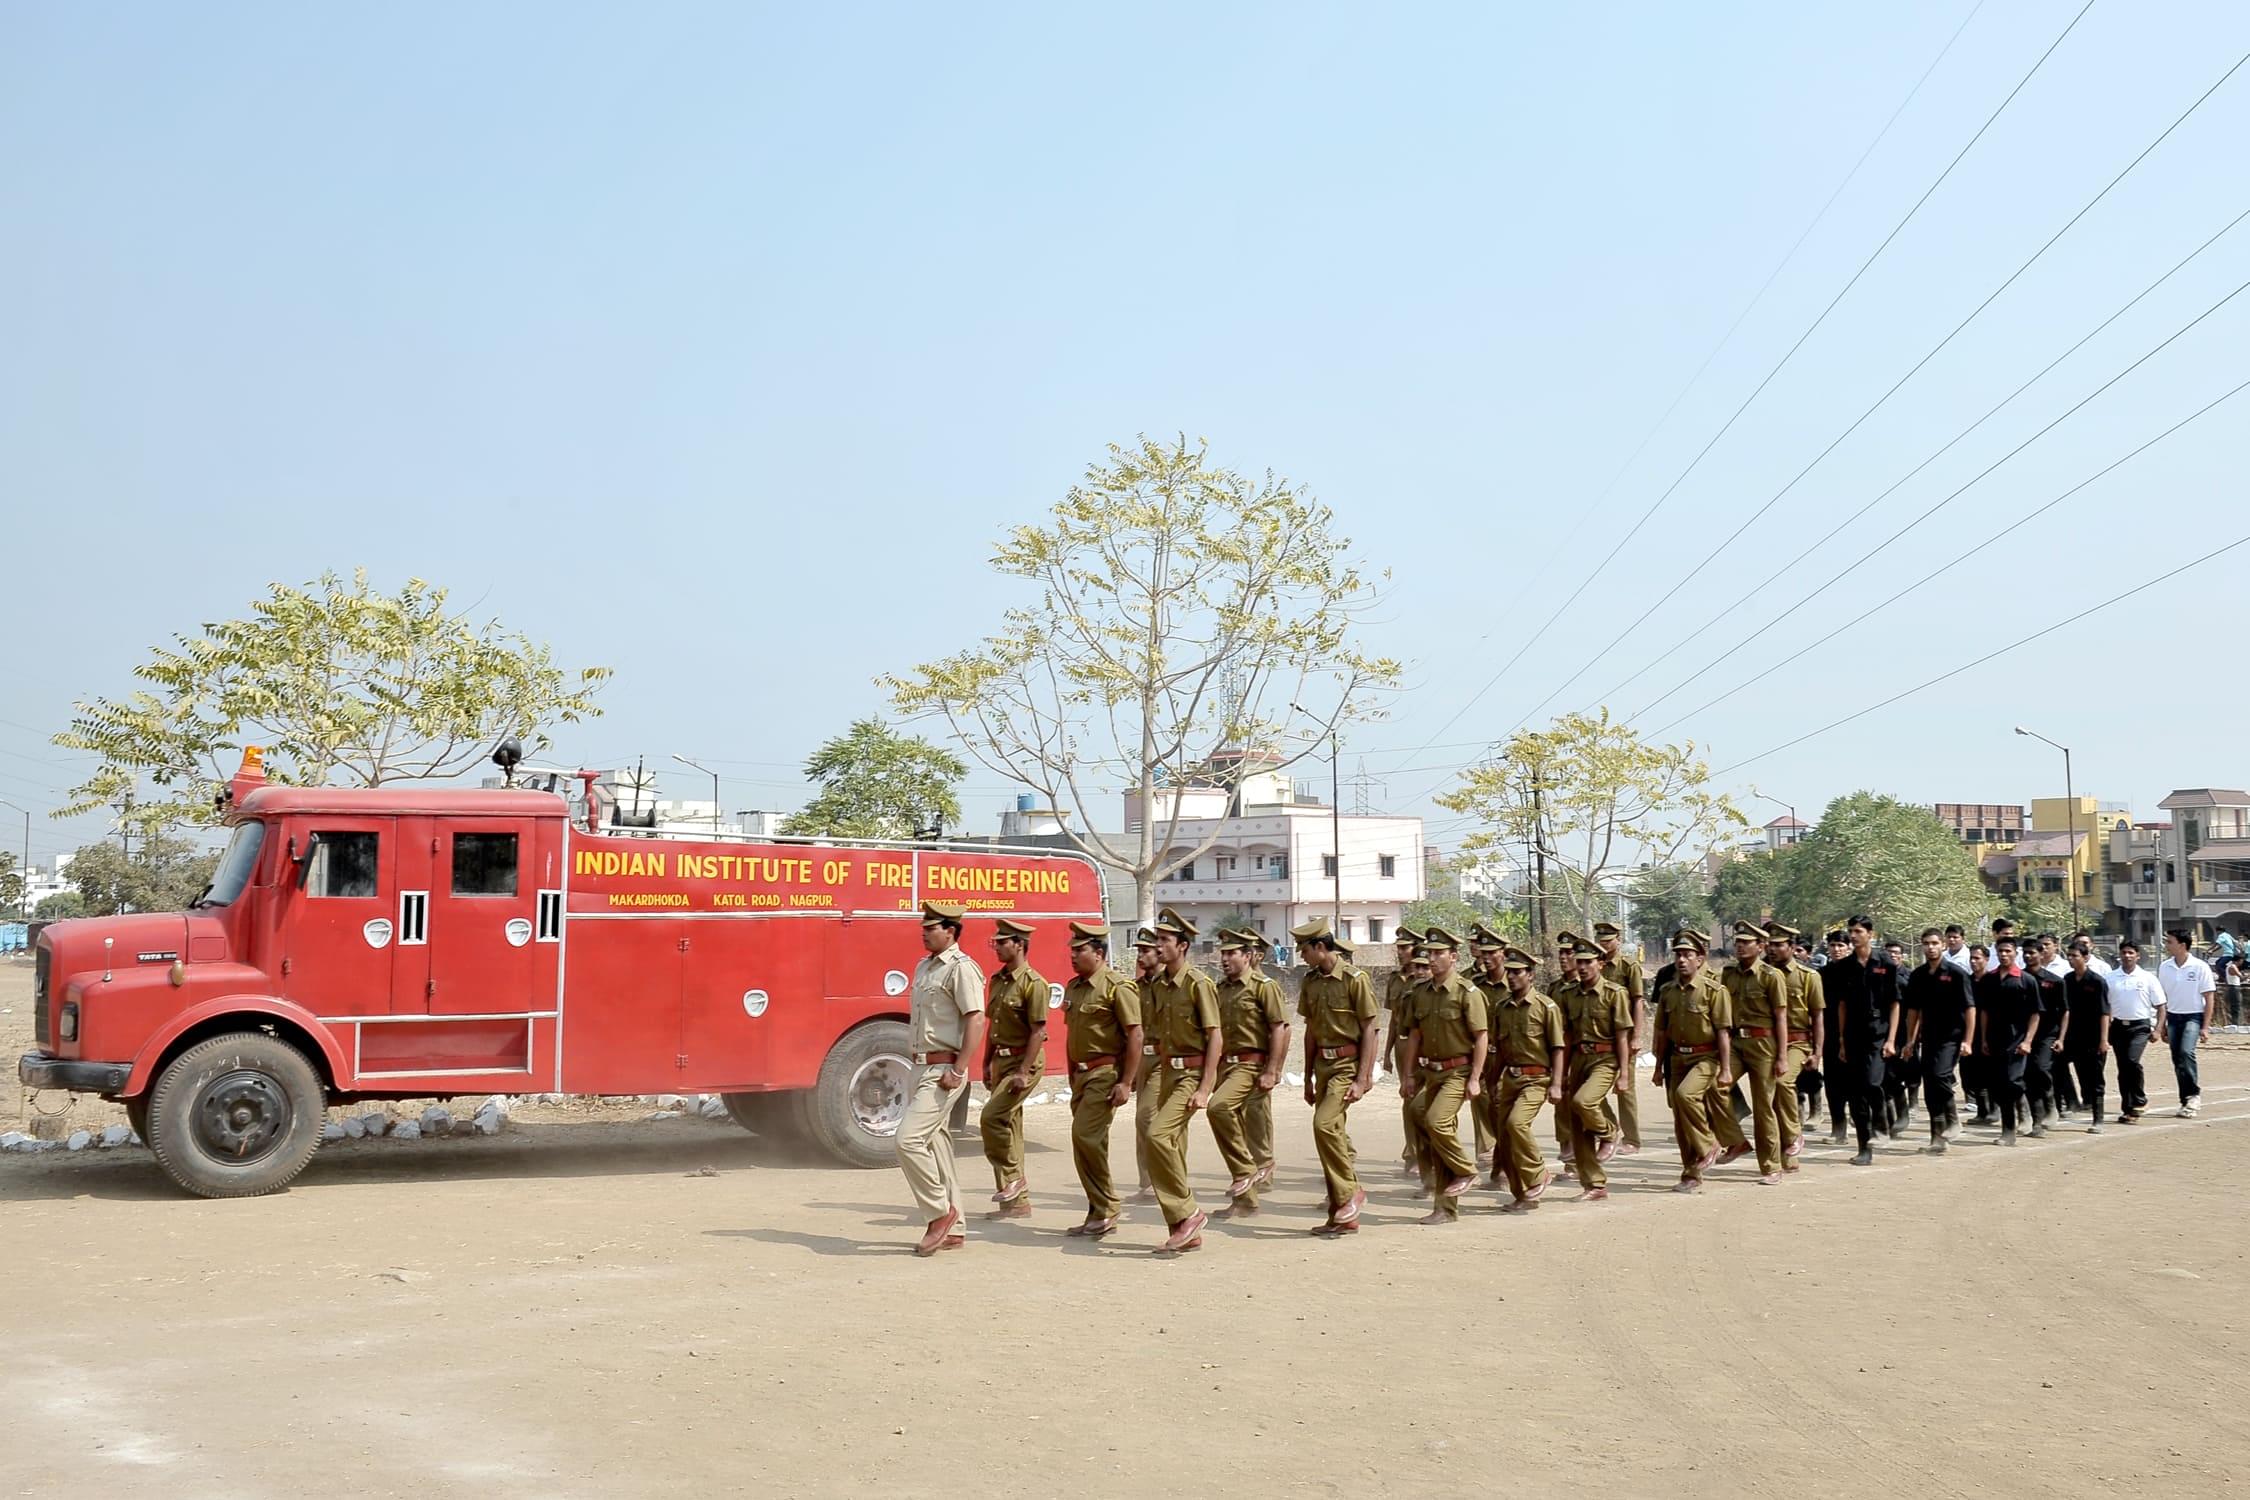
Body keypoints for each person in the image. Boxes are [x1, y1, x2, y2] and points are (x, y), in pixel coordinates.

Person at [898, 900, 987, 1256]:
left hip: (943, 1069)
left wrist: (960, 1068)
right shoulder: (925, 967)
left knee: (907, 1140)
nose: (924, 933)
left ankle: (939, 1213)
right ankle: (956, 1228)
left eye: (931, 928)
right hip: (920, 1066)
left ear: (950, 931)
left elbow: (975, 1018)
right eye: (923, 927)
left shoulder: (961, 969)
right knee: (937, 1146)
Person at [1138, 908, 1221, 1253]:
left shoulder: (1198, 984)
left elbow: (1215, 1035)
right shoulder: (1159, 985)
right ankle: (1183, 1229)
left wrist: (1205, 1087)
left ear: (1182, 946)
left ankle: (1189, 1212)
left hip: (1190, 1074)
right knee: (1170, 1146)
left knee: (1157, 1135)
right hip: (1168, 1071)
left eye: (1164, 941)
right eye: (1157, 940)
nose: (1158, 946)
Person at [1293, 918, 1380, 1236]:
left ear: (1320, 947)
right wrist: (1306, 1078)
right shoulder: (1311, 981)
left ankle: (1350, 1192)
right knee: (1331, 1135)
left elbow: (1371, 1028)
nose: (1300, 955)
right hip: (1323, 1068)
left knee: (1324, 1125)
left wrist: (1363, 1077)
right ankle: (1341, 1215)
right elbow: (1311, 1032)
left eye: (1303, 949)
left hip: (1347, 1066)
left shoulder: (1355, 980)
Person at [1398, 926, 1488, 1225]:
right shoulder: (1421, 993)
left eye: (1439, 954)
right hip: (1430, 1071)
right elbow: (1413, 1035)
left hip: (1457, 1071)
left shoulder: (1467, 993)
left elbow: (1481, 1037)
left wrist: (1475, 1077)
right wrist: (1408, 1075)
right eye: (1429, 953)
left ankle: (1466, 1169)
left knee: (1437, 1120)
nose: (1432, 959)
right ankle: (1444, 1207)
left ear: (1454, 957)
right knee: (1419, 1114)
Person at [1059, 921, 1142, 1238]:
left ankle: (1107, 1205)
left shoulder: (1117, 987)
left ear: (1099, 952)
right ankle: (1097, 1211)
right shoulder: (1074, 988)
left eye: (1080, 950)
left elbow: (1134, 1035)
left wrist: (1126, 1081)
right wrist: (1071, 1073)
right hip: (1081, 1076)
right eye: (1072, 950)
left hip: (1104, 1075)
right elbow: (1072, 1035)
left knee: (1085, 1136)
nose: (1074, 956)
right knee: (1086, 1144)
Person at [1650, 928, 1744, 1193]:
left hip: (1707, 1056)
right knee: (1681, 1123)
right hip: (1678, 1058)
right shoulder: (1668, 991)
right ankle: (1691, 1174)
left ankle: (1709, 1144)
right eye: (1678, 954)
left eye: (1688, 955)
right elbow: (1662, 1032)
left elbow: (1724, 1032)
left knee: (1685, 1095)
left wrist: (1725, 1069)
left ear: (1700, 959)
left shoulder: (1715, 990)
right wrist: (1658, 1068)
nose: (1681, 960)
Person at [1206, 927, 1290, 1217]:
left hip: (1251, 1064)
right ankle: (1245, 1200)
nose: (1225, 958)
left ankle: (1256, 1168)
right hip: (1225, 1066)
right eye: (1223, 953)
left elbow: (1280, 1028)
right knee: (1236, 1130)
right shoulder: (1220, 988)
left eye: (1232, 953)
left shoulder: (1263, 986)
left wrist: (1273, 1069)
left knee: (1220, 1110)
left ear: (1248, 955)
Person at [1484, 942, 1567, 1211]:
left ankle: (1538, 1172)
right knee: (1505, 1138)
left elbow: (1557, 1047)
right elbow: (1498, 1049)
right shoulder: (1502, 1008)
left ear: (1530, 974)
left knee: (1517, 1124)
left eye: (1518, 972)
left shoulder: (1546, 1007)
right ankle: (1523, 1195)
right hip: (1510, 1078)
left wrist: (1556, 1084)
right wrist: (1492, 1081)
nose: (1511, 976)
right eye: (1509, 971)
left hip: (1537, 1078)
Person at [976, 916, 1051, 1218]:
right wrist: (985, 1062)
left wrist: (1023, 1071)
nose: (996, 946)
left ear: (1019, 945)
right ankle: (1016, 1204)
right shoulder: (998, 980)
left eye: (1002, 942)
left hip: (1024, 1062)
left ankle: (1014, 1178)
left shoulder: (1034, 984)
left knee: (991, 1118)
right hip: (1001, 1060)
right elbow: (994, 1025)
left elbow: (1038, 1031)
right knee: (1010, 1126)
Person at [1555, 943, 1632, 1201]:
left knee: (1583, 1101)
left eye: (1589, 962)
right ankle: (1594, 1185)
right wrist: (1561, 1076)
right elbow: (1565, 1037)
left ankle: (1609, 1131)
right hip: (1578, 1058)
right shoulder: (1568, 994)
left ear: (1600, 963)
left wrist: (1623, 1074)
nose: (1583, 967)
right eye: (1580, 961)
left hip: (1605, 1058)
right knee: (1578, 1128)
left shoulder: (1614, 993)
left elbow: (1622, 1036)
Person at [1826, 916, 1900, 1166]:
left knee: (1872, 1082)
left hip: (1878, 1035)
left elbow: (1894, 1003)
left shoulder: (1885, 963)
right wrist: (1842, 1041)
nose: (1853, 935)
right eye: (1851, 931)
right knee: (1856, 1094)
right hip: (1853, 1034)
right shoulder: (1844, 967)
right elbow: (1842, 1005)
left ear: (1870, 933)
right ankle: (1864, 1147)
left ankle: (1881, 1124)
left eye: (1858, 931)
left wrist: (1891, 1039)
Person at [1719, 922, 1788, 1185]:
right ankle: (1736, 1141)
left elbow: (1781, 1018)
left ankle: (1771, 1166)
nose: (1740, 946)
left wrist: (1782, 1056)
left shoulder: (1771, 976)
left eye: (1746, 942)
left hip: (1763, 1045)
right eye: (1738, 941)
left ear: (1760, 947)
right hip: (1736, 1043)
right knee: (1716, 1086)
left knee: (1764, 1108)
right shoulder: (1728, 974)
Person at [1899, 927, 1974, 1152]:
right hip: (1928, 1037)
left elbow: (1970, 1008)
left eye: (1934, 943)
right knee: (1930, 1085)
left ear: (1942, 944)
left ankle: (1953, 1119)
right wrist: (1910, 1041)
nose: (1930, 947)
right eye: (1926, 943)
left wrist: (1968, 1040)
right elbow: (1913, 1010)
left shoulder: (1956, 973)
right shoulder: (1919, 975)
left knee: (1940, 1075)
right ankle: (1937, 1138)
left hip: (1952, 1036)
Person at [1975, 935, 2041, 1147]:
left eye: (2008, 951)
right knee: (1997, 1085)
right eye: (2000, 951)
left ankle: (2014, 1126)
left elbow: (2035, 1013)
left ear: (2015, 953)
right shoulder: (1989, 979)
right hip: (1994, 1039)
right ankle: (2009, 1127)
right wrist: (1984, 1038)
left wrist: (2028, 1041)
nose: (2004, 955)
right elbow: (1984, 1011)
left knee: (2011, 1082)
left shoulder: (2025, 980)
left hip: (2017, 1040)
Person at [1593, 921, 1646, 1154]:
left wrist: (1636, 1035)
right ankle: (1610, 1126)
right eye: (1601, 941)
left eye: (1608, 940)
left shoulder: (1628, 966)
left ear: (1618, 940)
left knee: (1625, 1088)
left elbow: (1638, 1001)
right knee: (1588, 1086)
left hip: (1623, 1033)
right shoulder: (1595, 965)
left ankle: (1632, 1138)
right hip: (1600, 1034)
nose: (1604, 945)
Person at [2158, 929, 2217, 1118]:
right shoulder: (2165, 967)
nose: (2167, 945)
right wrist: (2163, 1024)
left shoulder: (2199, 967)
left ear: (2182, 945)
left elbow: (2209, 997)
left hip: (2193, 1016)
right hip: (2173, 1017)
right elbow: (2163, 998)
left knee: (2186, 1052)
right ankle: (2185, 1099)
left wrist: (2205, 1027)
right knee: (2177, 1059)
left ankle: (2193, 1094)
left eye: (2170, 942)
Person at [2107, 939, 2162, 1123]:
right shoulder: (2111, 978)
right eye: (2124, 952)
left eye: (2131, 953)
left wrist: (2157, 1029)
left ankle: (2139, 1099)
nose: (2127, 956)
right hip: (2117, 1027)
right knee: (2123, 1067)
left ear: (2138, 956)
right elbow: (2105, 1006)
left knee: (2132, 1061)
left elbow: (2161, 1006)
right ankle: (2128, 1108)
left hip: (2140, 1027)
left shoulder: (2147, 978)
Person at [1386, 929, 1427, 1174]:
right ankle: (1411, 1152)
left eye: (1405, 947)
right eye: (1398, 948)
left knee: (1425, 1101)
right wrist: (1387, 1053)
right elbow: (1394, 1018)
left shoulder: (1426, 979)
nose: (1400, 952)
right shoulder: (1394, 979)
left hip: (1426, 1045)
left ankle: (1425, 1154)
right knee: (1408, 1097)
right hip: (1404, 1044)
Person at [2060, 938, 2110, 1133]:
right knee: (2057, 1064)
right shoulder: (2068, 980)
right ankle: (2072, 1101)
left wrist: (2104, 1040)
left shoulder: (2097, 981)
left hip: (2093, 1036)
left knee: (2094, 1078)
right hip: (2072, 1035)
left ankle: (2098, 1119)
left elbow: (2105, 1012)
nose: (2071, 959)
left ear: (2085, 957)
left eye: (2075, 956)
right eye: (2069, 956)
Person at [1130, 927, 1164, 1200]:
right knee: (1141, 1120)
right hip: (1143, 1058)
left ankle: (1161, 1178)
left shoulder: (1170, 984)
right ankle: (1147, 1181)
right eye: (1138, 951)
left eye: (1145, 951)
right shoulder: (1137, 987)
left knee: (1148, 1117)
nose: (1140, 956)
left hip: (1166, 1059)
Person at [1962, 943, 1993, 1125]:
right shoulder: (1967, 980)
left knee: (1988, 1073)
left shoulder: (1993, 981)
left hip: (1989, 1034)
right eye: (1971, 958)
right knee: (1970, 1073)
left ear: (1986, 959)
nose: (1973, 962)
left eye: (1977, 958)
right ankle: (1982, 1111)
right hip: (1969, 1034)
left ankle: (1993, 1109)